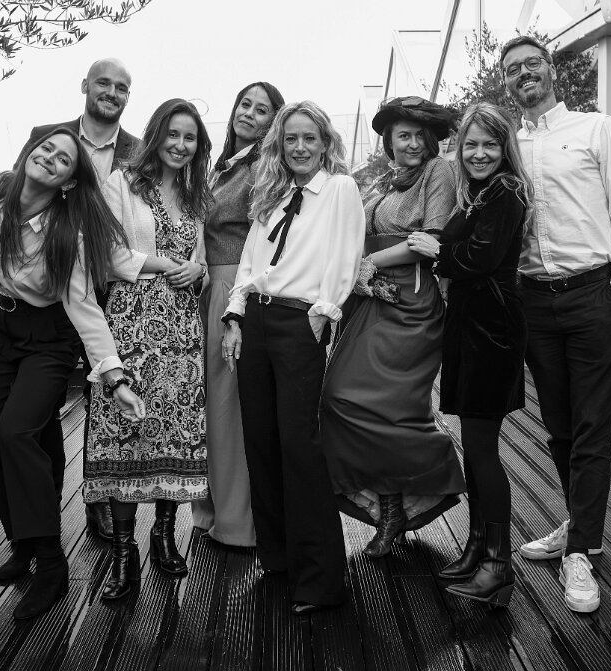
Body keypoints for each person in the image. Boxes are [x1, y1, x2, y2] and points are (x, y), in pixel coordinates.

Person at [0, 129, 145, 621]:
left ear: (68, 181)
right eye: (47, 149)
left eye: (64, 160)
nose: (51, 158)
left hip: (49, 338)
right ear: (30, 154)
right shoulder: (4, 190)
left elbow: (83, 305)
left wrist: (115, 377)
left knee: (16, 432)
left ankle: (51, 563)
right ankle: (24, 540)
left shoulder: (67, 232)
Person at [501, 35, 611, 614]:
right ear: (506, 82)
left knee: (591, 427)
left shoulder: (596, 129)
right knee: (560, 428)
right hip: (534, 300)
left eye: (532, 64)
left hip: (592, 294)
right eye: (512, 69)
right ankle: (580, 525)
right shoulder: (507, 144)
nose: (524, 74)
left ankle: (581, 551)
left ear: (551, 70)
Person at [221, 101, 365, 615]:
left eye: (309, 138)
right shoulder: (274, 194)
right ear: (279, 146)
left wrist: (324, 312)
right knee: (259, 439)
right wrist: (235, 315)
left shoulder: (340, 189)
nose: (299, 147)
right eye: (290, 139)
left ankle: (321, 580)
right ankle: (277, 557)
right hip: (256, 321)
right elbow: (249, 261)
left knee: (300, 445)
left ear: (325, 143)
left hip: (300, 320)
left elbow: (347, 256)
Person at [320, 95, 464, 559]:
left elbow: (430, 240)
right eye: (404, 135)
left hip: (411, 301)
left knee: (391, 408)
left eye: (421, 135)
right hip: (370, 297)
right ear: (389, 141)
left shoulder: (439, 172)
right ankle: (391, 507)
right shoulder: (385, 180)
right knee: (339, 397)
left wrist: (369, 261)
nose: (413, 143)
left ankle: (423, 483)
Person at [83, 99, 211, 599]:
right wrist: (164, 264)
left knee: (174, 431)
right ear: (156, 136)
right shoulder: (121, 183)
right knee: (124, 429)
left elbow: (201, 260)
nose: (180, 145)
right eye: (173, 134)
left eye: (190, 137)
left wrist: (197, 270)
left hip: (181, 328)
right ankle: (123, 552)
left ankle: (163, 534)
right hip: (131, 322)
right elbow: (108, 255)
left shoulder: (196, 194)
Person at [408, 102, 531, 607]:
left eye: (490, 145)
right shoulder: (479, 192)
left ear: (505, 149)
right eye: (471, 145)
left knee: (482, 449)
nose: (479, 154)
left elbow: (480, 258)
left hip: (492, 331)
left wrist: (437, 251)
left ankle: (499, 566)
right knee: (476, 448)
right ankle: (478, 548)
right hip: (471, 326)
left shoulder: (506, 191)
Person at [17, 57, 141, 542]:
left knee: (105, 396)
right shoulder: (47, 137)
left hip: (113, 292)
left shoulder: (138, 151)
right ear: (85, 85)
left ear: (128, 97)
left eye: (122, 87)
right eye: (103, 83)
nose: (111, 92)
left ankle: (98, 499)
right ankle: (44, 513)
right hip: (52, 292)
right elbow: (19, 203)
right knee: (42, 410)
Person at [194, 81, 285, 546]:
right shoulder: (224, 165)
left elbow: (267, 237)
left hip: (231, 286)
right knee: (210, 402)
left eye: (261, 109)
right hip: (206, 286)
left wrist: (240, 301)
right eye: (244, 104)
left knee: (228, 405)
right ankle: (209, 507)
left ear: (274, 121)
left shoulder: (265, 166)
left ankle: (238, 522)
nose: (249, 113)